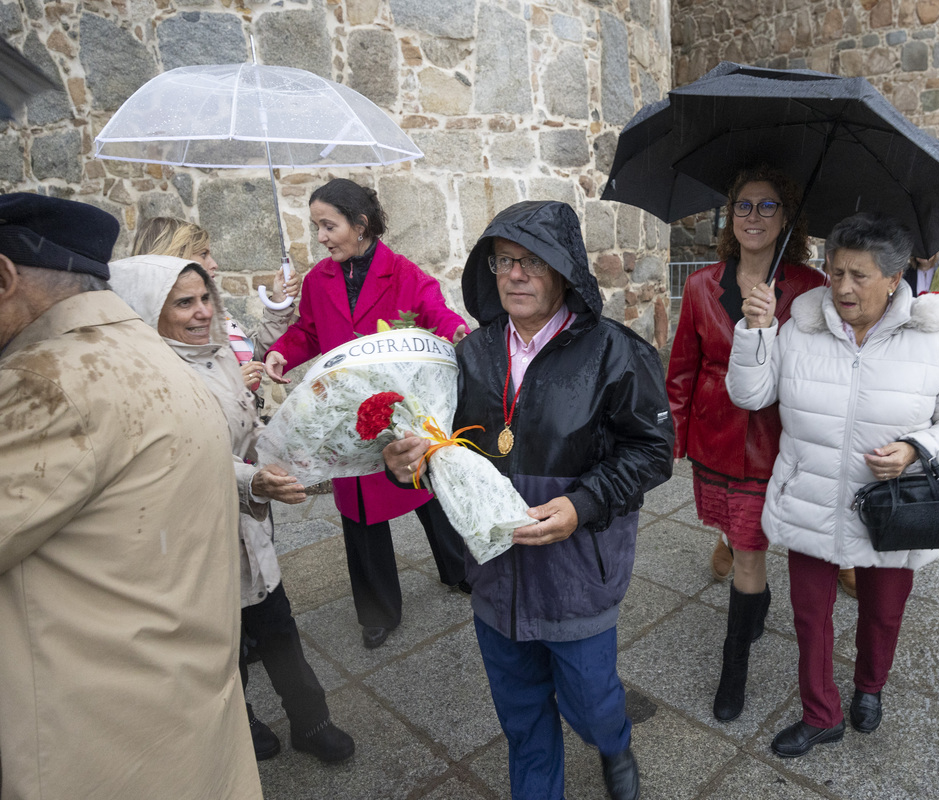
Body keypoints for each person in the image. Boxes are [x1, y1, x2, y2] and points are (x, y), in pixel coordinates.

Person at [382, 200, 674, 800]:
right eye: (504, 261)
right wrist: (404, 464)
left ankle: (614, 741)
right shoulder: (469, 356)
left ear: (565, 269)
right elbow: (437, 453)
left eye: (532, 261)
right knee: (522, 718)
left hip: (577, 574)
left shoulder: (615, 352)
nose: (515, 274)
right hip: (496, 578)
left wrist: (583, 503)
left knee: (590, 703)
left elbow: (652, 452)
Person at [0, 193, 263, 799]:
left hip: (99, 746)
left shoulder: (47, 382)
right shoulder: (140, 349)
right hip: (176, 709)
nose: (201, 312)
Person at [727, 212, 939, 758]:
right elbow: (751, 396)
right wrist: (755, 330)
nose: (843, 288)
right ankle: (820, 713)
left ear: (894, 280)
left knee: (883, 611)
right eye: (835, 272)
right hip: (811, 497)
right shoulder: (800, 327)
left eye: (860, 276)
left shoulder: (934, 340)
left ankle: (870, 688)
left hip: (895, 509)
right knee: (810, 614)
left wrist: (919, 448)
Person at [108, 254, 355, 763]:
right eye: (184, 303)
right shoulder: (149, 379)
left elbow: (248, 431)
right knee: (225, 645)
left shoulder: (218, 354)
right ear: (149, 310)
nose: (202, 312)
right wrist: (257, 481)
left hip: (249, 525)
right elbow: (188, 459)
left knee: (279, 628)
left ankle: (312, 723)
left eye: (205, 299)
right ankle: (239, 724)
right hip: (198, 535)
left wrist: (297, 451)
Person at [263, 178, 471, 649]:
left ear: (360, 224)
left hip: (402, 413)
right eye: (316, 227)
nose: (321, 237)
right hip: (349, 417)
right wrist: (281, 351)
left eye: (328, 225)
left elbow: (437, 315)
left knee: (427, 491)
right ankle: (378, 610)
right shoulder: (318, 281)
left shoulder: (403, 272)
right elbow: (309, 333)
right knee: (359, 510)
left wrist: (458, 333)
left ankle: (459, 569)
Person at [666, 166, 827, 722]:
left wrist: (768, 328)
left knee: (750, 551)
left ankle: (733, 671)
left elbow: (819, 369)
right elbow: (683, 368)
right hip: (714, 435)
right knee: (735, 539)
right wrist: (677, 437)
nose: (754, 217)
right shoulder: (699, 285)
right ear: (728, 217)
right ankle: (753, 609)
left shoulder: (809, 289)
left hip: (774, 439)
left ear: (787, 218)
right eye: (743, 206)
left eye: (767, 206)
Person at [131, 216, 300, 391]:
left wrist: (279, 302)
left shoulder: (213, 312)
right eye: (204, 255)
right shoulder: (156, 329)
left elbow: (252, 352)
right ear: (176, 258)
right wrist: (228, 386)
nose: (214, 264)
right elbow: (171, 392)